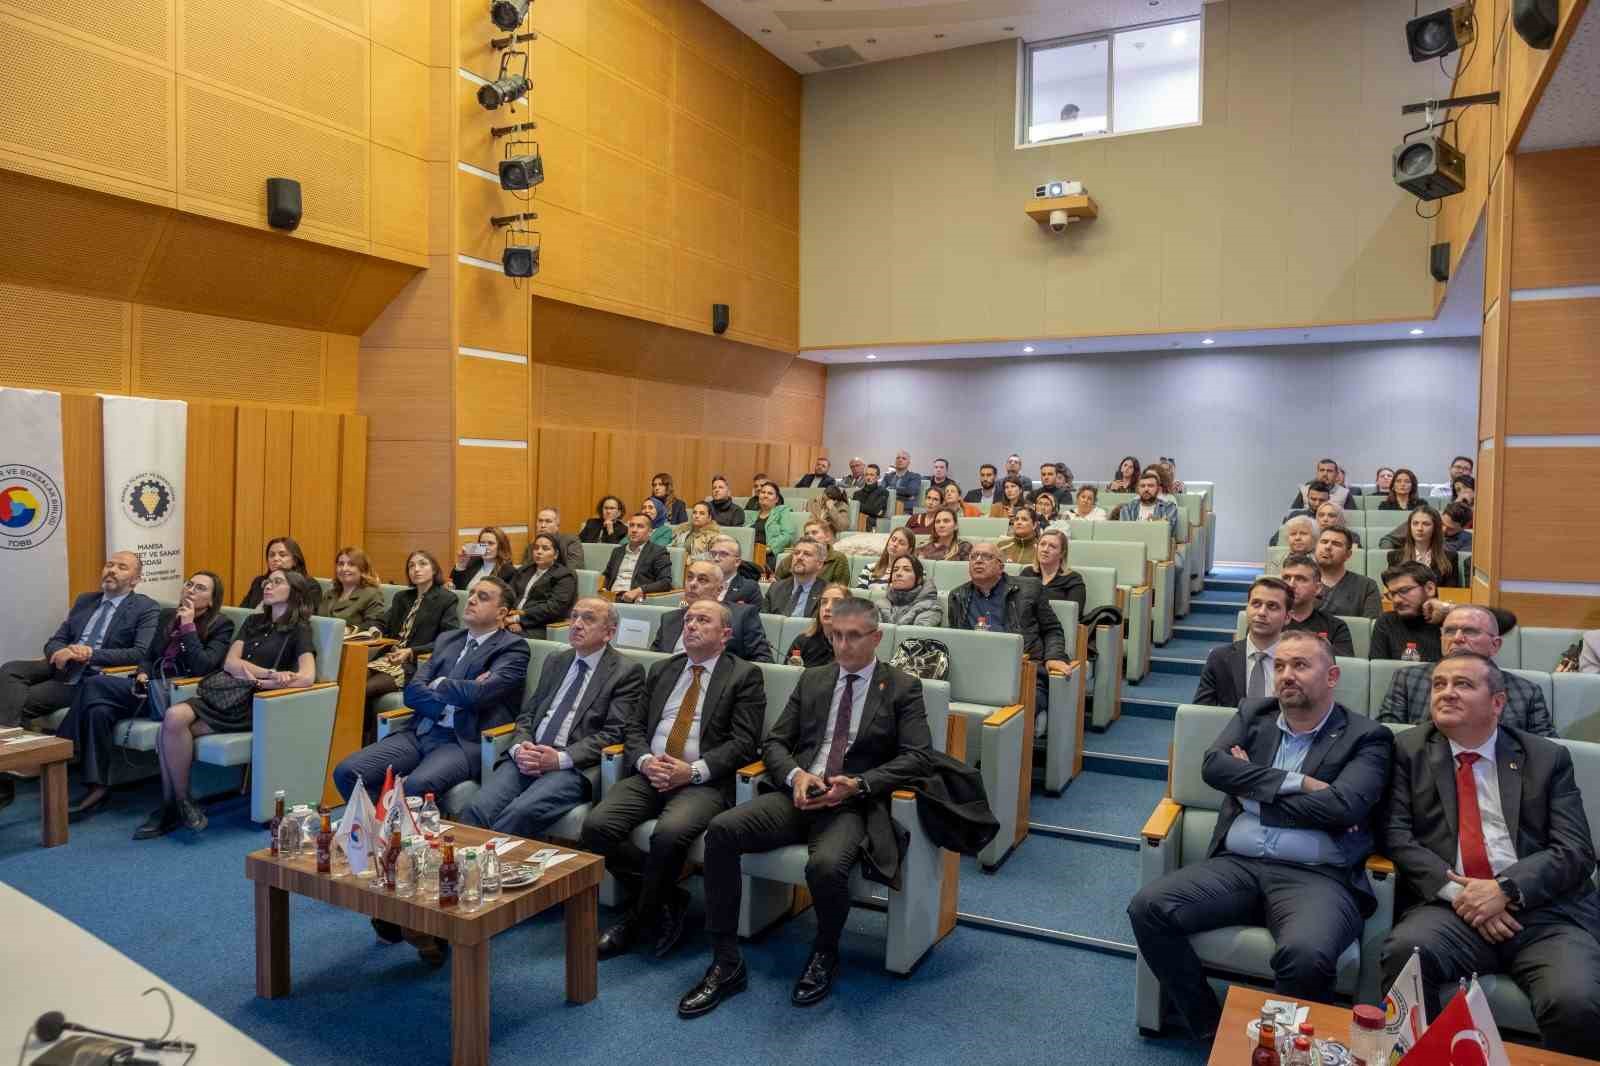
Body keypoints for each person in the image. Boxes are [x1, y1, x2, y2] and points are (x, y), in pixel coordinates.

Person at [1127, 631, 1394, 1040]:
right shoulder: (1254, 713)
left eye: (1300, 665)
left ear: (1332, 676)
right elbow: (1214, 767)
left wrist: (1251, 791)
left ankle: (1285, 1046)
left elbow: (1343, 807)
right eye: (1280, 665)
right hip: (1238, 866)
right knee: (1148, 907)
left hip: (1317, 877)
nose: (1286, 675)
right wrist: (1300, 783)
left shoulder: (1367, 736)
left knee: (1306, 955)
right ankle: (1208, 1024)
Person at [681, 597, 931, 1016]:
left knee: (826, 867)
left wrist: (858, 785)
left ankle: (825, 951)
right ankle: (726, 961)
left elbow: (918, 757)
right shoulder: (815, 679)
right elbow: (775, 742)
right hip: (800, 794)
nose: (843, 645)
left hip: (851, 804)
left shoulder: (901, 687)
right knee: (722, 831)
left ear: (876, 638)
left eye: (854, 637)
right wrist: (796, 776)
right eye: (837, 636)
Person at [1380, 652, 1600, 1057]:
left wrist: (1504, 890)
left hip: (1544, 914)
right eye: (1439, 684)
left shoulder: (1545, 757)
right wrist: (1464, 895)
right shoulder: (1408, 750)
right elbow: (1396, 836)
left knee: (1575, 1001)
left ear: (1497, 702)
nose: (1446, 693)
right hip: (1452, 909)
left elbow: (1575, 851)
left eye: (1462, 684)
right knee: (1405, 953)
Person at [581, 600, 765, 960]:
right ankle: (668, 898)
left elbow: (744, 743)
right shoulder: (664, 669)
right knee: (596, 827)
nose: (691, 625)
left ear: (726, 634)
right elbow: (634, 727)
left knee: (667, 834)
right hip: (651, 772)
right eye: (688, 619)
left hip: (704, 782)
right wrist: (645, 761)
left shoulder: (744, 675)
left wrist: (692, 770)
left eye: (703, 620)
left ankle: (636, 920)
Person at [136, 570, 319, 838]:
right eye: (267, 581)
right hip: (226, 693)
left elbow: (307, 676)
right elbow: (231, 663)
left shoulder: (300, 629)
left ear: (294, 592)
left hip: (253, 703)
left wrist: (264, 682)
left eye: (277, 582)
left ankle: (169, 808)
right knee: (173, 718)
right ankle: (182, 802)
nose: (268, 586)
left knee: (168, 731)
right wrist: (269, 673)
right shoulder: (254, 621)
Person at [333, 577, 529, 806]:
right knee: (347, 771)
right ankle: (380, 824)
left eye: (482, 597)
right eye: (472, 593)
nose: (471, 600)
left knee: (415, 786)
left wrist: (439, 683)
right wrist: (451, 699)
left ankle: (392, 824)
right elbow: (413, 692)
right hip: (421, 730)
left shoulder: (513, 648)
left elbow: (480, 694)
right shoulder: (448, 639)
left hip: (463, 741)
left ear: (501, 613)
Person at [58, 571, 233, 819]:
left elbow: (203, 666)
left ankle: (62, 748)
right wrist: (142, 673)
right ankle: (98, 788)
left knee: (95, 683)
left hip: (177, 695)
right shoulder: (167, 616)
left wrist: (188, 627)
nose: (191, 590)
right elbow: (148, 656)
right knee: (99, 711)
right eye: (189, 584)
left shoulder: (221, 625)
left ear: (213, 600)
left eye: (200, 588)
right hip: (146, 689)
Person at [465, 598, 645, 838]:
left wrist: (560, 759)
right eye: (574, 616)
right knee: (476, 808)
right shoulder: (557, 660)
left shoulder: (626, 672)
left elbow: (614, 733)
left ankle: (493, 862)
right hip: (529, 755)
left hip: (574, 766)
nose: (577, 624)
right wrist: (520, 747)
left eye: (588, 619)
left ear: (609, 633)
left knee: (520, 813)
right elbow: (529, 714)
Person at [0, 551, 160, 740]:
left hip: (91, 676)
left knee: (18, 699)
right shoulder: (85, 600)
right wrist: (62, 650)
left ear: (136, 580)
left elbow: (139, 653)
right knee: (10, 669)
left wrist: (90, 654)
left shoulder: (145, 607)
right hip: (64, 665)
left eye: (122, 567)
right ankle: (12, 742)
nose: (112, 570)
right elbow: (55, 640)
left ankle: (10, 746)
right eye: (109, 565)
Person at [947, 542, 1069, 737]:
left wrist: (1055, 656)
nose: (978, 560)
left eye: (986, 557)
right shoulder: (957, 596)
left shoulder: (1029, 589)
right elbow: (957, 640)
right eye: (974, 556)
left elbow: (1052, 629)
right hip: (975, 674)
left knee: (1013, 713)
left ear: (1001, 566)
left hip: (1024, 673)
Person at [1377, 605, 1554, 735]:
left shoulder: (1527, 691)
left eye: (1470, 631)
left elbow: (1546, 750)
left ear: (1495, 645)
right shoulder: (1408, 679)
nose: (1457, 638)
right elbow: (1388, 735)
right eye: (1449, 631)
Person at [364, 549, 460, 742]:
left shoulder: (446, 599)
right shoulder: (402, 597)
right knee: (350, 682)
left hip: (411, 665)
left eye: (423, 564)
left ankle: (366, 742)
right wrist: (374, 630)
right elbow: (382, 621)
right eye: (411, 566)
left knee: (363, 689)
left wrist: (411, 652)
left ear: (434, 569)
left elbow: (448, 639)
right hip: (387, 658)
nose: (416, 569)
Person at [1194, 577, 1291, 707]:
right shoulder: (1219, 658)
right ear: (1247, 608)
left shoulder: (1297, 662)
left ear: (1287, 617)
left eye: (1272, 606)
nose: (1262, 612)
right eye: (1256, 604)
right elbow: (1200, 712)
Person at [654, 561, 773, 663]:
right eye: (689, 577)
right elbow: (654, 660)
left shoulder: (741, 616)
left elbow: (763, 660)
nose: (692, 584)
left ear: (719, 590)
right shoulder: (669, 619)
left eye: (702, 580)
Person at [1277, 554, 1354, 656]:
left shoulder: (1336, 627)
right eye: (1286, 578)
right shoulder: (1268, 621)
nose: (1291, 585)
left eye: (1300, 579)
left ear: (1317, 588)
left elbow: (1341, 664)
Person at [1370, 562, 1444, 663]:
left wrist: (1448, 610)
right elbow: (1378, 669)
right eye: (1392, 594)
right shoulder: (1386, 622)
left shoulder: (1450, 622)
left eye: (1404, 590)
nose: (1396, 600)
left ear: (1430, 589)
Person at [507, 533, 577, 638]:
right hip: (511, 622)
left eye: (545, 548)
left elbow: (553, 608)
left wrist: (518, 619)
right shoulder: (524, 570)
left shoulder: (564, 576)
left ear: (556, 554)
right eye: (536, 548)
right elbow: (507, 595)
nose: (539, 552)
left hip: (541, 626)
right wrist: (507, 618)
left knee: (504, 637)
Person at [604, 513, 674, 603]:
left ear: (650, 532)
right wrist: (603, 591)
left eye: (640, 526)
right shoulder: (617, 551)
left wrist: (639, 590)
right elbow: (607, 576)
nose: (634, 530)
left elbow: (665, 582)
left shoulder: (658, 552)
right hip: (611, 598)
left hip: (634, 600)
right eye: (631, 525)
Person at [1385, 505, 1459, 588]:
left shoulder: (1450, 558)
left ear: (1435, 528)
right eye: (1415, 523)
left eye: (1426, 524)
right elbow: (1391, 589)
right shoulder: (1394, 557)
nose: (1419, 528)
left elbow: (1451, 592)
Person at [1313, 527, 1380, 619]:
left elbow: (1370, 624)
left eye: (1336, 544)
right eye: (1324, 542)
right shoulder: (1299, 581)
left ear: (1348, 554)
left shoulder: (1366, 586)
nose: (1327, 547)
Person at [240, 536, 321, 611]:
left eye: (282, 555)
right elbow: (242, 612)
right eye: (271, 555)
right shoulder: (259, 582)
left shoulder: (310, 585)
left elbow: (305, 615)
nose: (275, 559)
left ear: (295, 561)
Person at [1020, 529, 1085, 615]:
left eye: (1052, 546)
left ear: (1062, 553)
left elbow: (1073, 614)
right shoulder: (1027, 573)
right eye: (1042, 544)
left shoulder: (1073, 579)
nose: (1045, 549)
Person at [785, 584, 850, 666]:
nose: (827, 608)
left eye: (837, 602)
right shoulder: (802, 642)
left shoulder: (854, 645)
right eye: (824, 602)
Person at [774, 518, 850, 586]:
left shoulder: (838, 559)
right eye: (806, 534)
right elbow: (777, 579)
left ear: (827, 537)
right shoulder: (796, 555)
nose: (809, 536)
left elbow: (840, 590)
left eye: (814, 533)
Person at [325, 547, 385, 632]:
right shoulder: (329, 594)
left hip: (352, 639)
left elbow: (375, 624)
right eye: (341, 564)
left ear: (362, 569)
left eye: (351, 564)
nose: (344, 569)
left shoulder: (371, 594)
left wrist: (350, 629)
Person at [764, 539, 826, 618]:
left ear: (819, 564)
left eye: (807, 554)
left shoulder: (826, 592)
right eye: (796, 553)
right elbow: (764, 621)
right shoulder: (775, 589)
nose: (799, 557)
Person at [878, 556, 943, 627]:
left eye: (906, 570)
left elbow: (917, 633)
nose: (898, 573)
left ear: (919, 579)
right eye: (895, 570)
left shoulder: (930, 607)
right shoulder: (881, 604)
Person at [1113, 469, 1180, 537]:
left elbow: (1169, 532)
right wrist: (1156, 524)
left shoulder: (1169, 507)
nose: (1146, 489)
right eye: (1142, 486)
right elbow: (1125, 532)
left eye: (1150, 486)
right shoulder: (1128, 508)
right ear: (1138, 489)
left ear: (1158, 489)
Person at [450, 526, 516, 590]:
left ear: (500, 546)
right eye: (482, 543)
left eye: (491, 543)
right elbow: (457, 589)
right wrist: (461, 565)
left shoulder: (508, 572)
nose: (486, 547)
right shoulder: (472, 562)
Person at [746, 481, 797, 564]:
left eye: (770, 493)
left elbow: (788, 535)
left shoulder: (782, 511)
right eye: (763, 492)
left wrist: (769, 548)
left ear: (776, 499)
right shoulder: (751, 515)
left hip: (769, 555)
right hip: (749, 554)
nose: (765, 495)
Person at [707, 536, 761, 607]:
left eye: (723, 554)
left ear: (737, 562)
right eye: (713, 554)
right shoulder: (700, 583)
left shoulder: (749, 588)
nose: (716, 558)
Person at [857, 527, 915, 591]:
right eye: (893, 539)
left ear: (909, 550)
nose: (895, 544)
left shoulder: (913, 572)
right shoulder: (869, 568)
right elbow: (860, 595)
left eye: (901, 543)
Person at [852, 463, 889, 531]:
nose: (868, 477)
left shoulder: (883, 492)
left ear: (878, 477)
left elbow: (875, 510)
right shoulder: (857, 493)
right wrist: (871, 509)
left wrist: (859, 506)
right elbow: (855, 512)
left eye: (872, 475)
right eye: (866, 475)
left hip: (872, 525)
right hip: (857, 523)